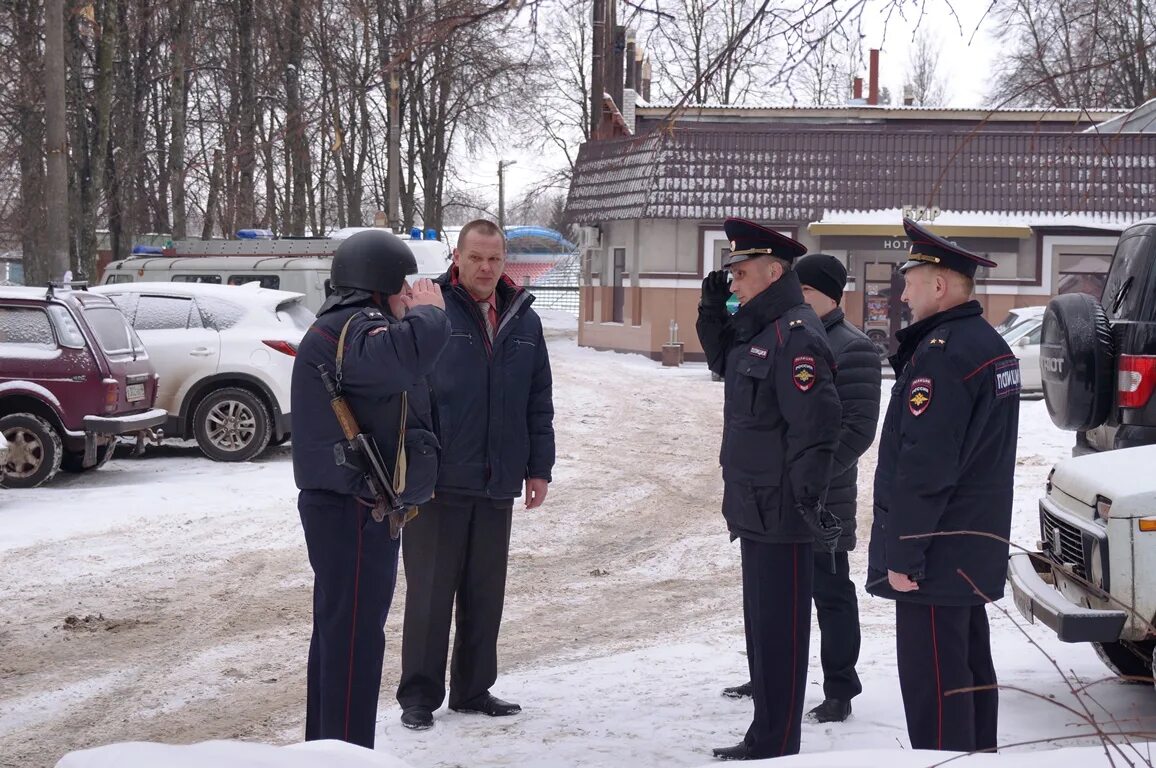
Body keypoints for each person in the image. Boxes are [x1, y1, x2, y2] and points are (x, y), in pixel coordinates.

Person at [291, 228, 450, 749]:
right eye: (401, 285)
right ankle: (345, 754)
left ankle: (327, 751)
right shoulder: (355, 327)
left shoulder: (341, 327)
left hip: (349, 507)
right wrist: (429, 310)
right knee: (354, 643)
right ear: (378, 284)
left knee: (341, 636)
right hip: (351, 512)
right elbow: (409, 353)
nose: (408, 292)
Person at [866, 218, 1020, 753]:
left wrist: (905, 555)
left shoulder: (944, 353)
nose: (902, 294)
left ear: (939, 285)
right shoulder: (988, 345)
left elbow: (925, 467)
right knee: (970, 670)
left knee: (936, 687)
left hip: (934, 553)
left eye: (909, 281)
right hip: (967, 547)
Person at [396, 218, 555, 730]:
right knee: (430, 593)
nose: (486, 268)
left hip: (498, 477)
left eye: (495, 259)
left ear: (504, 263)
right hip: (438, 480)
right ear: (457, 259)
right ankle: (418, 697)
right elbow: (407, 393)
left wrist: (539, 468)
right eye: (476, 258)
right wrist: (418, 462)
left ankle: (473, 688)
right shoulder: (431, 310)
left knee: (485, 592)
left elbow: (538, 400)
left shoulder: (523, 317)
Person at [697, 217, 843, 761]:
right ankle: (766, 731)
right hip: (755, 504)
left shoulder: (795, 333)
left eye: (740, 271)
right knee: (762, 627)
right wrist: (713, 309)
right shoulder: (762, 327)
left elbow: (817, 425)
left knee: (780, 633)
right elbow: (722, 360)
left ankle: (776, 741)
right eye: (729, 271)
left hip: (781, 509)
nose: (732, 280)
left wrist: (804, 499)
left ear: (774, 270)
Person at [720, 253, 881, 724]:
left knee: (830, 594)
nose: (798, 298)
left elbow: (855, 430)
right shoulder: (778, 332)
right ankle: (767, 674)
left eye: (807, 291)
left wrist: (807, 474)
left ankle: (839, 687)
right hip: (775, 496)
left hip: (824, 498)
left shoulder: (853, 348)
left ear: (832, 295)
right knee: (768, 595)